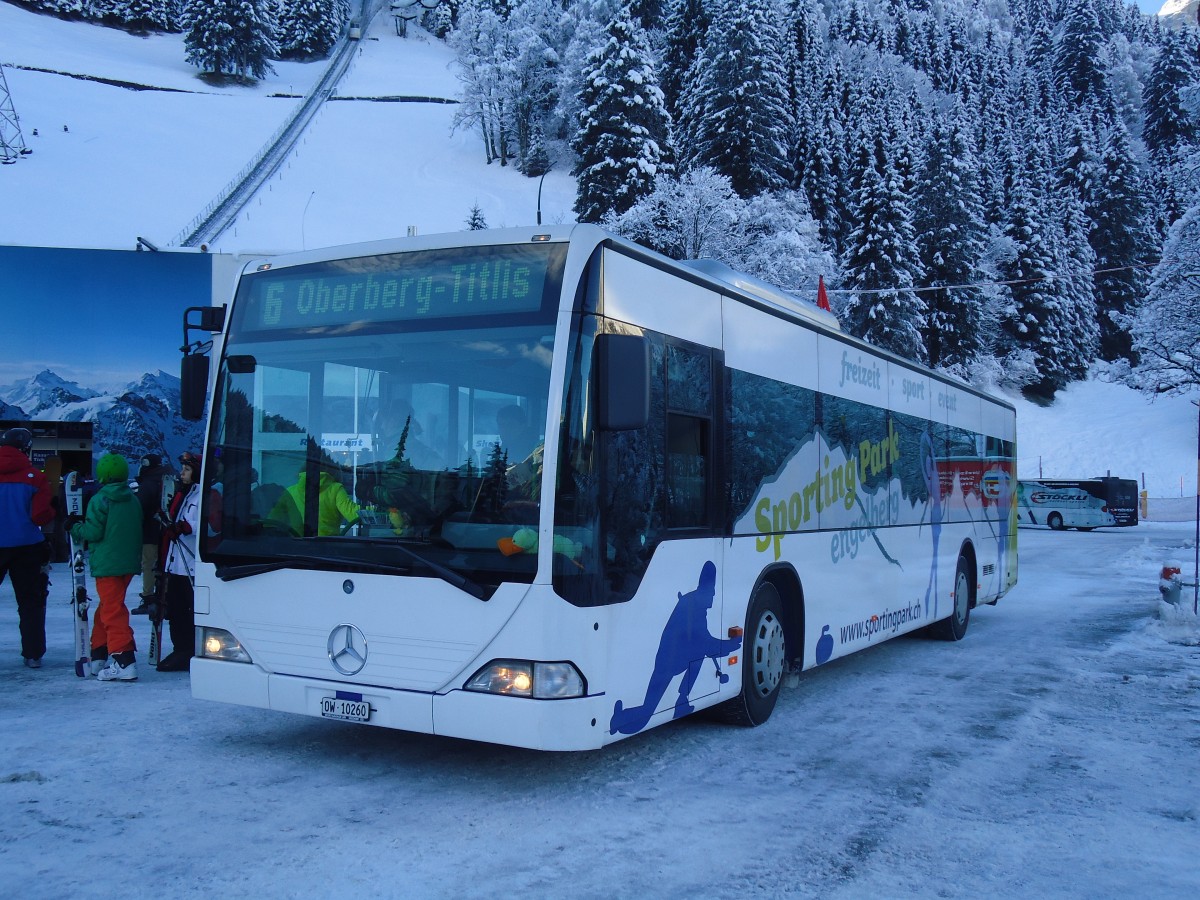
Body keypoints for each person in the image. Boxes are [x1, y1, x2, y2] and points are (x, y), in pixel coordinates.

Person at [70, 452, 142, 682]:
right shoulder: (132, 499)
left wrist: (74, 527)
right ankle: (99, 653)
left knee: (112, 611)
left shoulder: (100, 499)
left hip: (107, 564)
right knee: (107, 606)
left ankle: (124, 660)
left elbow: (92, 532)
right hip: (127, 563)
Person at [0, 427, 55, 668]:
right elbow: (40, 516)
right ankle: (33, 654)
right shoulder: (35, 477)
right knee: (30, 602)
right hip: (27, 546)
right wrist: (53, 509)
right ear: (26, 448)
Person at [157, 451, 201, 671]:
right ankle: (180, 648)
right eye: (182, 469)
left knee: (188, 610)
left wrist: (185, 527)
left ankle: (190, 649)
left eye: (187, 469)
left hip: (190, 564)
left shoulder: (203, 495)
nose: (182, 473)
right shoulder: (184, 494)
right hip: (176, 562)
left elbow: (209, 525)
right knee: (175, 610)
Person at [269, 459, 360, 537]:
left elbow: (272, 522)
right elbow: (354, 514)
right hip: (328, 545)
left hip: (297, 545)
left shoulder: (290, 491)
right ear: (334, 468)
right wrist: (369, 509)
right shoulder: (336, 489)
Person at [131, 453, 171, 615]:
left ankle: (148, 597)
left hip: (149, 531)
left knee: (148, 564)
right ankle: (165, 596)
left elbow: (139, 508)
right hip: (166, 531)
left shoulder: (147, 484)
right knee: (164, 564)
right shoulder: (167, 480)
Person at [374, 398, 443, 469]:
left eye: (384, 421)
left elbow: (390, 475)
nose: (382, 426)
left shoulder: (397, 450)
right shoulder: (415, 446)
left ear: (393, 421)